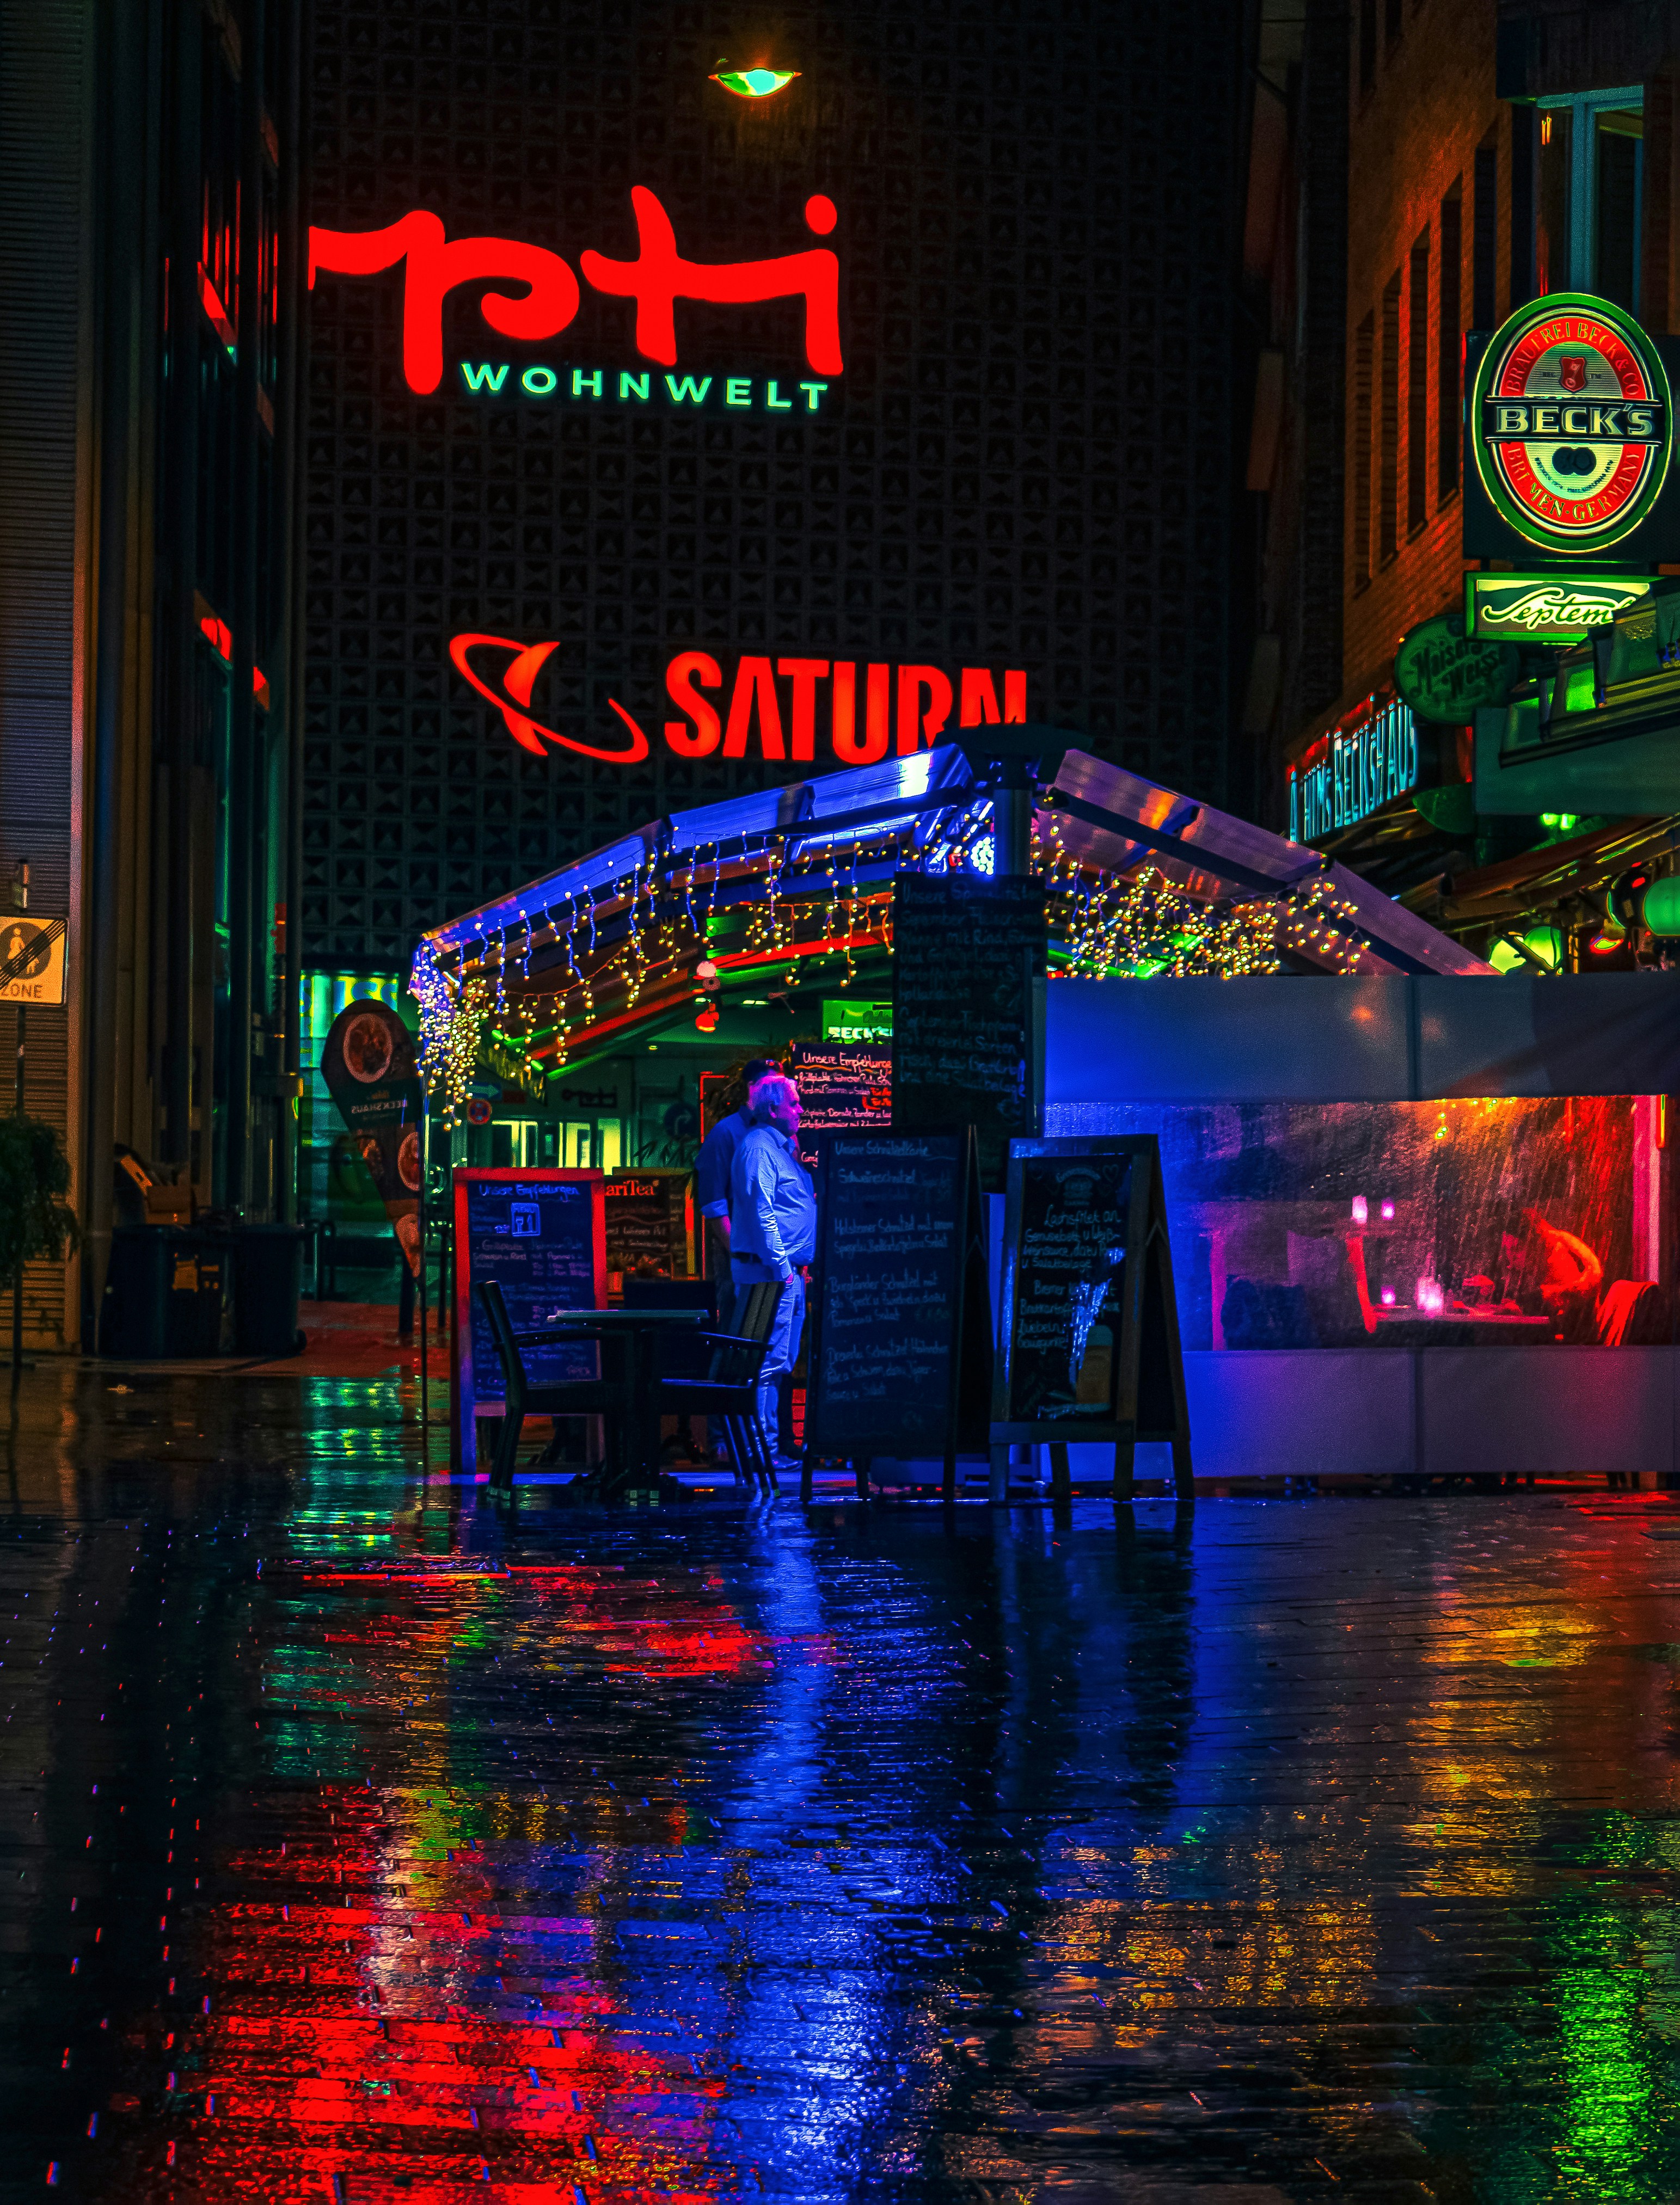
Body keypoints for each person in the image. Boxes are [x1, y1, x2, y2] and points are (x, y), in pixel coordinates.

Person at [728, 1073, 817, 1467]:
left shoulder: (779, 1148)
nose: (801, 1109)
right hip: (771, 1275)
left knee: (780, 1361)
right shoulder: (759, 1149)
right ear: (773, 1108)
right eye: (795, 1103)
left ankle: (768, 1449)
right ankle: (759, 1452)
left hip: (786, 1275)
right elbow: (761, 1210)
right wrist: (784, 1268)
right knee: (766, 1363)